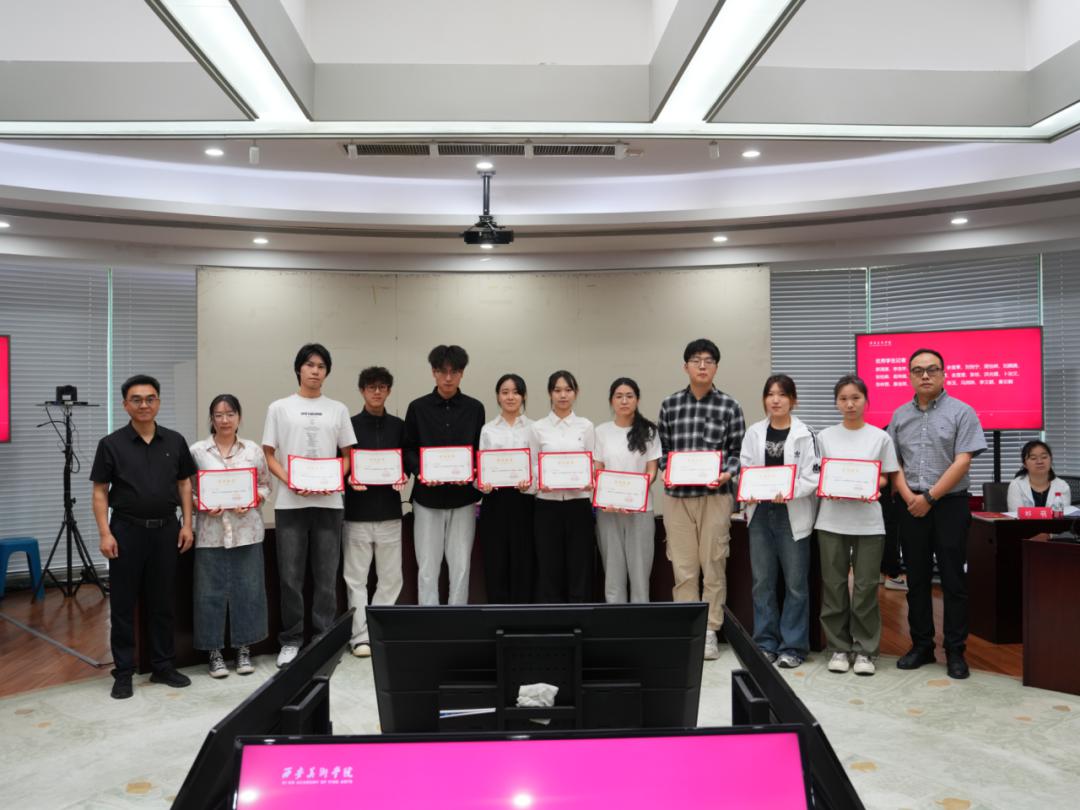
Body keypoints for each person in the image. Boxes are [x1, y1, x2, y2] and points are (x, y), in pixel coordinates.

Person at [90, 374, 197, 699]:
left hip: (166, 531)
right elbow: (100, 491)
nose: (144, 405)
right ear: (125, 405)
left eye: (150, 399)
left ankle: (163, 666)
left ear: (158, 402)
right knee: (123, 604)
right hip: (126, 531)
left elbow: (184, 484)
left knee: (162, 602)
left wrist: (187, 524)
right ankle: (124, 672)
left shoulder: (175, 441)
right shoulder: (111, 444)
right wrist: (105, 533)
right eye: (136, 400)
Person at [889, 348, 987, 680]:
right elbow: (894, 463)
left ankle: (956, 651)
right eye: (918, 370)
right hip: (910, 504)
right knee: (916, 578)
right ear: (909, 376)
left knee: (953, 579)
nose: (925, 375)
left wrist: (929, 497)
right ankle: (922, 646)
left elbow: (963, 462)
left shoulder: (962, 412)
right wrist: (909, 497)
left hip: (950, 505)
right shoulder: (899, 416)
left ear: (944, 374)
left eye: (932, 369)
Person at [262, 343, 357, 668]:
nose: (315, 371)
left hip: (329, 503)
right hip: (291, 504)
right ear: (298, 369)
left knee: (326, 576)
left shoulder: (338, 409)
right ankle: (291, 640)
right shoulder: (279, 408)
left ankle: (322, 639)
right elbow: (269, 454)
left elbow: (348, 456)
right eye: (310, 365)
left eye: (321, 366)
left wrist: (333, 478)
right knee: (290, 576)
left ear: (326, 372)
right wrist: (290, 480)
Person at [657, 338, 745, 660]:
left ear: (716, 367)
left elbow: (738, 452)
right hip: (678, 498)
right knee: (683, 567)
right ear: (686, 367)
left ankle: (709, 631)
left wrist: (726, 473)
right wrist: (667, 469)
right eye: (696, 360)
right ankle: (689, 629)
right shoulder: (669, 405)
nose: (702, 366)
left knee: (714, 563)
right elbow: (663, 451)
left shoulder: (730, 406)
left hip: (715, 496)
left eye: (709, 360)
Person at [814, 375, 899, 676]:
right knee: (834, 586)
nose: (850, 404)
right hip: (831, 521)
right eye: (843, 399)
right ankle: (838, 647)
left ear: (866, 401)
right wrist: (830, 485)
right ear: (836, 403)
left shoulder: (880, 437)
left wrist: (869, 484)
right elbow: (817, 475)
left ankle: (865, 650)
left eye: (855, 398)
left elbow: (887, 476)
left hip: (868, 523)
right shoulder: (824, 437)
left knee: (865, 588)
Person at [739, 374, 819, 669]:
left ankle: (793, 647)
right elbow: (745, 467)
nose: (775, 400)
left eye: (782, 395)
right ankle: (765, 643)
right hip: (760, 513)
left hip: (791, 512)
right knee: (762, 583)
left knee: (796, 584)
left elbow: (813, 476)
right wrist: (749, 489)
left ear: (793, 400)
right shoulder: (754, 432)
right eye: (770, 394)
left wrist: (789, 491)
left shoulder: (805, 434)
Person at [189, 394, 272, 678]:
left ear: (239, 417)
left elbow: (265, 485)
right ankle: (214, 653)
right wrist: (201, 503)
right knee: (208, 593)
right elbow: (187, 490)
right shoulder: (197, 451)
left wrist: (252, 499)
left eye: (230, 414)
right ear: (211, 419)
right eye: (219, 415)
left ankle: (243, 650)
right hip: (210, 534)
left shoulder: (253, 450)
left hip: (247, 532)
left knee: (248, 592)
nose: (225, 420)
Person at [403, 345, 485, 605]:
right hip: (427, 498)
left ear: (462, 373)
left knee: (461, 567)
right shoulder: (417, 407)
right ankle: (429, 622)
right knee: (427, 567)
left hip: (463, 498)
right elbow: (408, 448)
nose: (448, 378)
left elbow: (479, 450)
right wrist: (422, 471)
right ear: (433, 372)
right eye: (442, 371)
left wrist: (472, 471)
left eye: (454, 372)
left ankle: (457, 621)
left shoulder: (475, 408)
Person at [343, 367, 407, 657]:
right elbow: (341, 463)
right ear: (362, 390)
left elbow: (405, 461)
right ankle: (360, 637)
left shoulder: (399, 426)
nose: (377, 392)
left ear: (389, 390)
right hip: (357, 513)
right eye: (371, 387)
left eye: (382, 387)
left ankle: (377, 632)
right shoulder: (349, 426)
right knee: (355, 579)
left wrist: (404, 474)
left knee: (391, 578)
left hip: (391, 513)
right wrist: (348, 478)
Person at [593, 377, 661, 603]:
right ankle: (616, 621)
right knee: (612, 574)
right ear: (611, 401)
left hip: (640, 510)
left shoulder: (649, 431)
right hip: (608, 510)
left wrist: (635, 496)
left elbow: (652, 470)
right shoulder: (601, 431)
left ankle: (639, 622)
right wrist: (606, 497)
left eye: (629, 396)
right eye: (619, 396)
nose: (624, 401)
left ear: (637, 400)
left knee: (640, 575)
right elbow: (598, 469)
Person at [531, 370, 596, 603]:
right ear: (550, 393)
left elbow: (593, 463)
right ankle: (551, 617)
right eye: (557, 390)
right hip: (546, 506)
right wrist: (540, 481)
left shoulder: (586, 426)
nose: (563, 395)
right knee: (549, 565)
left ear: (576, 393)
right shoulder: (538, 427)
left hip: (578, 504)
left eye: (568, 390)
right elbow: (532, 465)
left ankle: (579, 617)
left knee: (580, 565)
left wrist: (590, 480)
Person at [477, 373, 535, 603]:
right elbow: (481, 468)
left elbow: (537, 466)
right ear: (498, 397)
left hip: (525, 501)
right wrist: (483, 483)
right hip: (495, 501)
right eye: (505, 392)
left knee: (524, 561)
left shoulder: (534, 428)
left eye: (516, 392)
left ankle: (523, 615)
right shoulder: (488, 429)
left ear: (524, 396)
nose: (510, 397)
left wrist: (530, 482)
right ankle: (498, 616)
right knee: (496, 561)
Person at [1006, 440, 1072, 511]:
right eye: (1033, 458)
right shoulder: (1016, 485)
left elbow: (1063, 515)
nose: (1039, 461)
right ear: (1025, 464)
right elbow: (1016, 514)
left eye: (1044, 457)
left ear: (1051, 460)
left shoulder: (1062, 486)